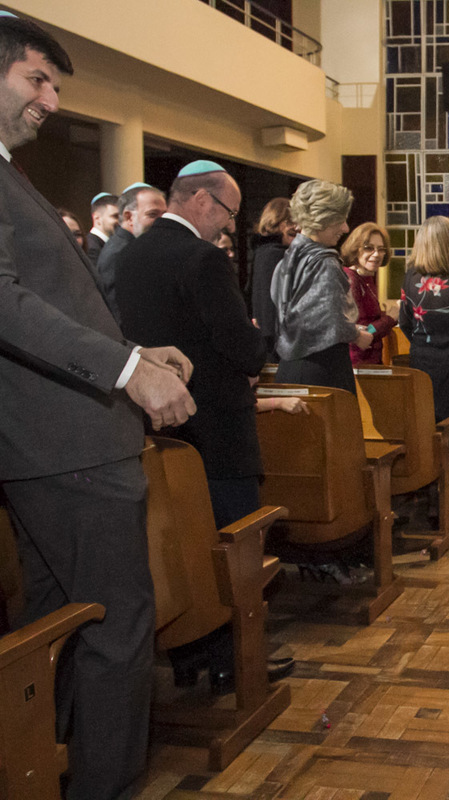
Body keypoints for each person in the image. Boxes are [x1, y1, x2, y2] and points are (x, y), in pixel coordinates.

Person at [0, 15, 195, 797]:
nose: (50, 99)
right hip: (69, 447)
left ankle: (54, 774)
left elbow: (53, 305)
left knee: (61, 633)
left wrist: (136, 354)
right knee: (117, 635)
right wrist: (124, 372)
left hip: (63, 442)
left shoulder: (13, 174)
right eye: (36, 79)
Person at [111, 160, 293, 694]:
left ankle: (191, 653)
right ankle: (237, 660)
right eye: (229, 215)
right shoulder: (202, 259)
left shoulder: (132, 254)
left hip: (160, 429)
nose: (229, 228)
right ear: (202, 202)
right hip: (217, 428)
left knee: (180, 546)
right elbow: (239, 348)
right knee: (233, 546)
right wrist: (256, 340)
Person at [398, 216, 449, 533]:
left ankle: (434, 504)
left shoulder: (410, 277)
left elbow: (404, 322)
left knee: (430, 433)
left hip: (421, 361)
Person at [271, 179, 369, 394]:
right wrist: (356, 335)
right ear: (323, 219)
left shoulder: (287, 258)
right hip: (322, 369)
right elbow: (331, 322)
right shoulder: (324, 262)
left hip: (288, 366)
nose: (345, 228)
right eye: (340, 220)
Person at [96, 181, 166, 318]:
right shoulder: (119, 253)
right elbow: (116, 312)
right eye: (153, 214)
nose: (162, 221)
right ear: (129, 217)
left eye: (164, 215)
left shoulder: (135, 247)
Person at [342, 222, 398, 366]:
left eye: (381, 249)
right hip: (357, 365)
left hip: (371, 362)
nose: (376, 254)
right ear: (355, 249)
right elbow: (366, 331)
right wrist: (391, 318)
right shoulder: (351, 279)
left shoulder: (366, 278)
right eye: (369, 248)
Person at [249, 196, 297, 359]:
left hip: (271, 342)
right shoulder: (275, 255)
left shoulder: (264, 252)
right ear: (279, 223)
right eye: (292, 222)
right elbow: (271, 305)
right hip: (277, 346)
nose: (297, 228)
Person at [86, 190, 118, 261]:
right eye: (115, 216)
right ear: (97, 218)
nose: (119, 221)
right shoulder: (91, 249)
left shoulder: (110, 244)